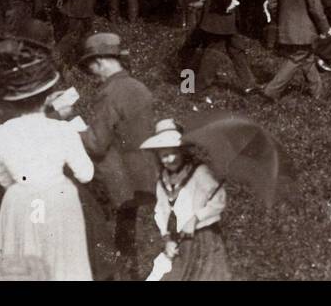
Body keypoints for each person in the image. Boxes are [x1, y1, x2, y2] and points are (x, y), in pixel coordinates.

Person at [0, 63, 95, 281]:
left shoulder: (4, 132)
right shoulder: (63, 129)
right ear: (47, 99)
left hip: (20, 199)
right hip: (58, 196)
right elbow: (86, 174)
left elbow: (3, 177)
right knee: (64, 259)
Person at [78, 32, 157, 279]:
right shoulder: (138, 87)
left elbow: (96, 144)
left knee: (96, 231)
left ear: (101, 61)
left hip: (113, 179)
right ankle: (129, 273)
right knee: (126, 233)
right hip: (140, 175)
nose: (92, 74)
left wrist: (71, 129)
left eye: (91, 66)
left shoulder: (109, 93)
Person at [140, 119, 230, 281]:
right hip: (181, 240)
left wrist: (196, 218)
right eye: (164, 155)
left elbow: (219, 199)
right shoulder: (163, 179)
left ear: (182, 151)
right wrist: (166, 238)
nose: (170, 159)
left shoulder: (199, 172)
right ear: (158, 156)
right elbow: (161, 211)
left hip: (204, 237)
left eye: (174, 152)